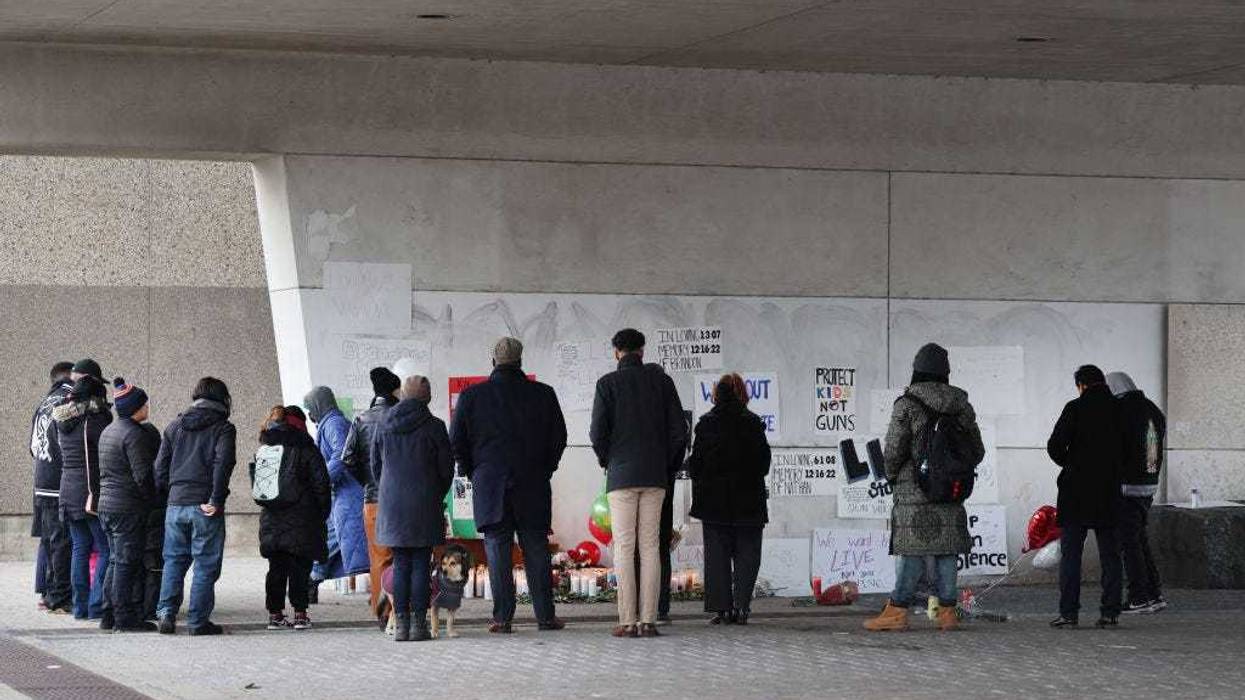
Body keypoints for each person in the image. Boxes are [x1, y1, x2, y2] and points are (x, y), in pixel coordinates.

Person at [450, 337, 568, 634]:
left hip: (490, 486)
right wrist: (545, 469)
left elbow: (457, 442)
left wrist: (473, 472)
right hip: (533, 485)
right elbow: (559, 437)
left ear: (493, 361)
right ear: (520, 361)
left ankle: (503, 618)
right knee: (536, 550)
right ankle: (545, 616)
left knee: (498, 551)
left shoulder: (471, 397)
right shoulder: (543, 394)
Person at [864, 343, 985, 632]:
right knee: (946, 550)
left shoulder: (907, 404)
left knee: (911, 550)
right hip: (951, 489)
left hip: (913, 489)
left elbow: (893, 450)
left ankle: (896, 611)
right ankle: (947, 613)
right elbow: (977, 451)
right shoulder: (962, 406)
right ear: (946, 373)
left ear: (917, 370)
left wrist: (893, 476)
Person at [590, 329, 687, 638]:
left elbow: (597, 433)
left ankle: (628, 621)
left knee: (624, 546)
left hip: (621, 477)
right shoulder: (662, 382)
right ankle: (649, 620)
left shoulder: (607, 384)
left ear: (616, 352)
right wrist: (667, 466)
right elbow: (679, 432)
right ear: (642, 351)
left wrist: (609, 461)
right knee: (651, 547)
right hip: (656, 476)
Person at [372, 375, 454, 642]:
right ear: (427, 397)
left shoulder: (384, 424)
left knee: (401, 563)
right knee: (421, 562)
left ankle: (402, 626)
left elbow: (375, 465)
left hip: (393, 505)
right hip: (424, 503)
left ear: (404, 396)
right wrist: (433, 493)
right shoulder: (435, 427)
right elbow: (446, 470)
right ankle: (419, 626)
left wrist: (388, 491)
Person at [154, 377, 237, 636]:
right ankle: (197, 622)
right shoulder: (223, 428)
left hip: (175, 503)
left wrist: (172, 493)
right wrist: (216, 499)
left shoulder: (174, 426)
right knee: (205, 564)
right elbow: (223, 464)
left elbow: (159, 468)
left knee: (173, 562)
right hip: (205, 505)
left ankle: (166, 614)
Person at [687, 373, 771, 625]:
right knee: (748, 554)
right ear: (742, 394)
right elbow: (764, 464)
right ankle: (742, 607)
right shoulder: (754, 423)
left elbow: (696, 464)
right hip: (748, 502)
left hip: (714, 503)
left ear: (716, 395)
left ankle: (722, 609)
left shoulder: (706, 423)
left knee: (717, 556)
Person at [1046, 364, 1126, 629]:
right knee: (1111, 556)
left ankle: (1069, 614)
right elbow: (1130, 450)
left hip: (1075, 491)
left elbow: (1054, 445)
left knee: (1071, 556)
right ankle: (1110, 612)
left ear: (1081, 385)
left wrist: (1072, 463)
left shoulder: (1075, 408)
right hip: (1109, 491)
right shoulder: (1119, 409)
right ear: (1102, 382)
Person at [252, 406, 331, 631]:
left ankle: (275, 615)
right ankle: (300, 615)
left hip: (271, 517)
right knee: (299, 567)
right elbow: (321, 485)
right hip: (302, 519)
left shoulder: (266, 448)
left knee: (276, 568)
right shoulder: (307, 449)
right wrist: (321, 514)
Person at [97, 377, 161, 632]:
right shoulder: (134, 434)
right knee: (125, 563)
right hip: (127, 508)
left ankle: (108, 614)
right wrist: (152, 499)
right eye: (145, 404)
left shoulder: (109, 431)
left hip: (107, 506)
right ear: (136, 407)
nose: (148, 407)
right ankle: (124, 618)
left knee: (114, 560)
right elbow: (143, 475)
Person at [53, 360, 112, 623]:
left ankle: (80, 607)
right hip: (91, 490)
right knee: (104, 548)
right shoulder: (97, 420)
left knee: (79, 547)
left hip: (68, 488)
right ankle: (96, 605)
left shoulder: (63, 418)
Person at [342, 367, 400, 627]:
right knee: (405, 556)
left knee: (379, 557)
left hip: (373, 499)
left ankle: (382, 612)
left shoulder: (361, 419)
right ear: (395, 390)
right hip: (401, 498)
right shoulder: (399, 416)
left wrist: (366, 481)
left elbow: (347, 458)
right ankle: (403, 609)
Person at [1106, 371, 1167, 614]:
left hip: (1127, 487)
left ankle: (1138, 597)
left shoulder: (1120, 412)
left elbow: (1113, 449)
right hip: (1149, 485)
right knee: (1140, 540)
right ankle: (1155, 594)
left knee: (1129, 544)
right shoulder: (1151, 408)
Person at [305, 386, 369, 590]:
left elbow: (341, 455)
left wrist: (321, 480)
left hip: (348, 493)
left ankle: (311, 582)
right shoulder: (331, 423)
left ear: (318, 405)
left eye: (310, 408)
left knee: (333, 539)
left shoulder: (334, 424)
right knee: (331, 539)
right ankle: (313, 580)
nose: (309, 414)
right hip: (343, 493)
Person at [30, 361, 74, 615]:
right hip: (59, 481)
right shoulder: (68, 402)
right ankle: (58, 598)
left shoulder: (44, 404)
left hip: (41, 481)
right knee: (62, 542)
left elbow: (32, 447)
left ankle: (47, 594)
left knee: (49, 541)